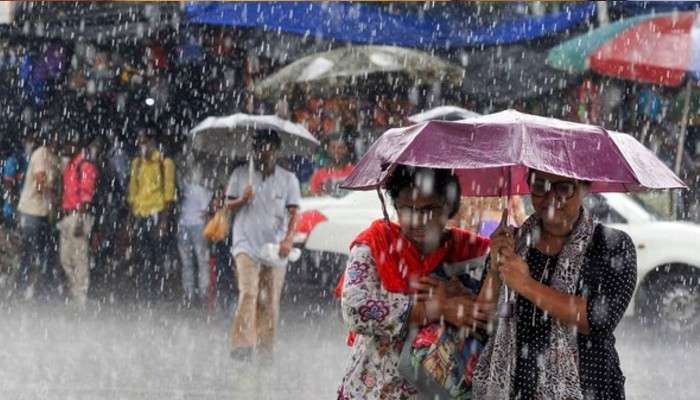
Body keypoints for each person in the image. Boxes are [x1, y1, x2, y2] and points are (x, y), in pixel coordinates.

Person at [473, 170, 638, 400]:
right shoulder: (513, 243)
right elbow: (481, 324)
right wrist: (494, 270)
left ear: (585, 187)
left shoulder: (612, 246)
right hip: (517, 388)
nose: (550, 199)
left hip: (589, 387)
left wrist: (525, 284)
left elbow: (598, 320)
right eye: (540, 185)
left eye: (563, 188)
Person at [336, 165, 492, 400]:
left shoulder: (472, 252)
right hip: (374, 389)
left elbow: (491, 315)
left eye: (430, 209)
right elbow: (356, 309)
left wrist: (465, 295)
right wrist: (435, 309)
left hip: (436, 390)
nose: (419, 220)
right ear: (395, 206)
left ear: (449, 207)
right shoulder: (376, 244)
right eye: (408, 209)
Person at [225, 129, 301, 361]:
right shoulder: (240, 174)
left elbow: (294, 213)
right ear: (254, 151)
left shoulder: (289, 179)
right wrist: (243, 199)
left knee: (268, 300)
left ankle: (265, 348)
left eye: (269, 148)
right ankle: (241, 346)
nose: (264, 153)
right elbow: (228, 206)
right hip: (245, 243)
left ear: (276, 151)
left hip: (275, 246)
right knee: (248, 292)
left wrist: (288, 239)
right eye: (260, 148)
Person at [126, 129, 176, 302]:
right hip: (140, 215)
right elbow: (132, 194)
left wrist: (164, 222)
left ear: (153, 143)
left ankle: (157, 292)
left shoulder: (164, 163)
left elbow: (169, 195)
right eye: (140, 143)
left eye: (145, 142)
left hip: (156, 216)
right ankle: (145, 292)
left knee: (158, 256)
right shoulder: (137, 164)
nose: (143, 147)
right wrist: (130, 222)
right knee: (142, 255)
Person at [57, 136, 103, 308]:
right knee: (65, 258)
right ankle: (75, 292)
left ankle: (80, 298)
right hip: (68, 216)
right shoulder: (70, 165)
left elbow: (86, 195)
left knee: (80, 259)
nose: (65, 147)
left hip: (78, 216)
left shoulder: (85, 165)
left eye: (68, 144)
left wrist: (80, 221)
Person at [16, 127, 61, 299]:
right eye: (54, 139)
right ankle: (24, 287)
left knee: (44, 251)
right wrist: (54, 200)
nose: (56, 143)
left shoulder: (54, 158)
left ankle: (39, 289)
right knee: (31, 251)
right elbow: (41, 181)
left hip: (43, 213)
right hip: (31, 210)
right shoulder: (40, 154)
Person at [176, 157, 212, 308]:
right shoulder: (204, 192)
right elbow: (205, 212)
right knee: (201, 262)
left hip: (184, 226)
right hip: (197, 227)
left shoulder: (184, 188)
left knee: (188, 263)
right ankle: (202, 294)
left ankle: (189, 294)